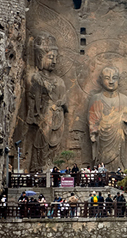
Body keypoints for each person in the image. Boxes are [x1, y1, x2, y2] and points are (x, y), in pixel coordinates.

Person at [27, 33, 67, 172]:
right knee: (43, 138)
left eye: (56, 58)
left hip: (58, 115)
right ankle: (39, 165)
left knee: (55, 143)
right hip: (44, 115)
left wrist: (61, 103)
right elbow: (32, 97)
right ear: (40, 57)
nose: (54, 61)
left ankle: (51, 163)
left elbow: (64, 99)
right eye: (50, 57)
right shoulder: (37, 77)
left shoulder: (59, 81)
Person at [88, 66, 127, 170]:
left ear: (119, 80)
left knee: (118, 160)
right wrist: (94, 132)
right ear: (101, 80)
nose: (111, 81)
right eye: (107, 78)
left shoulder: (124, 99)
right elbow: (92, 119)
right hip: (102, 137)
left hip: (118, 137)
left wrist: (126, 119)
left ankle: (118, 172)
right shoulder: (96, 98)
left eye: (114, 78)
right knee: (102, 160)